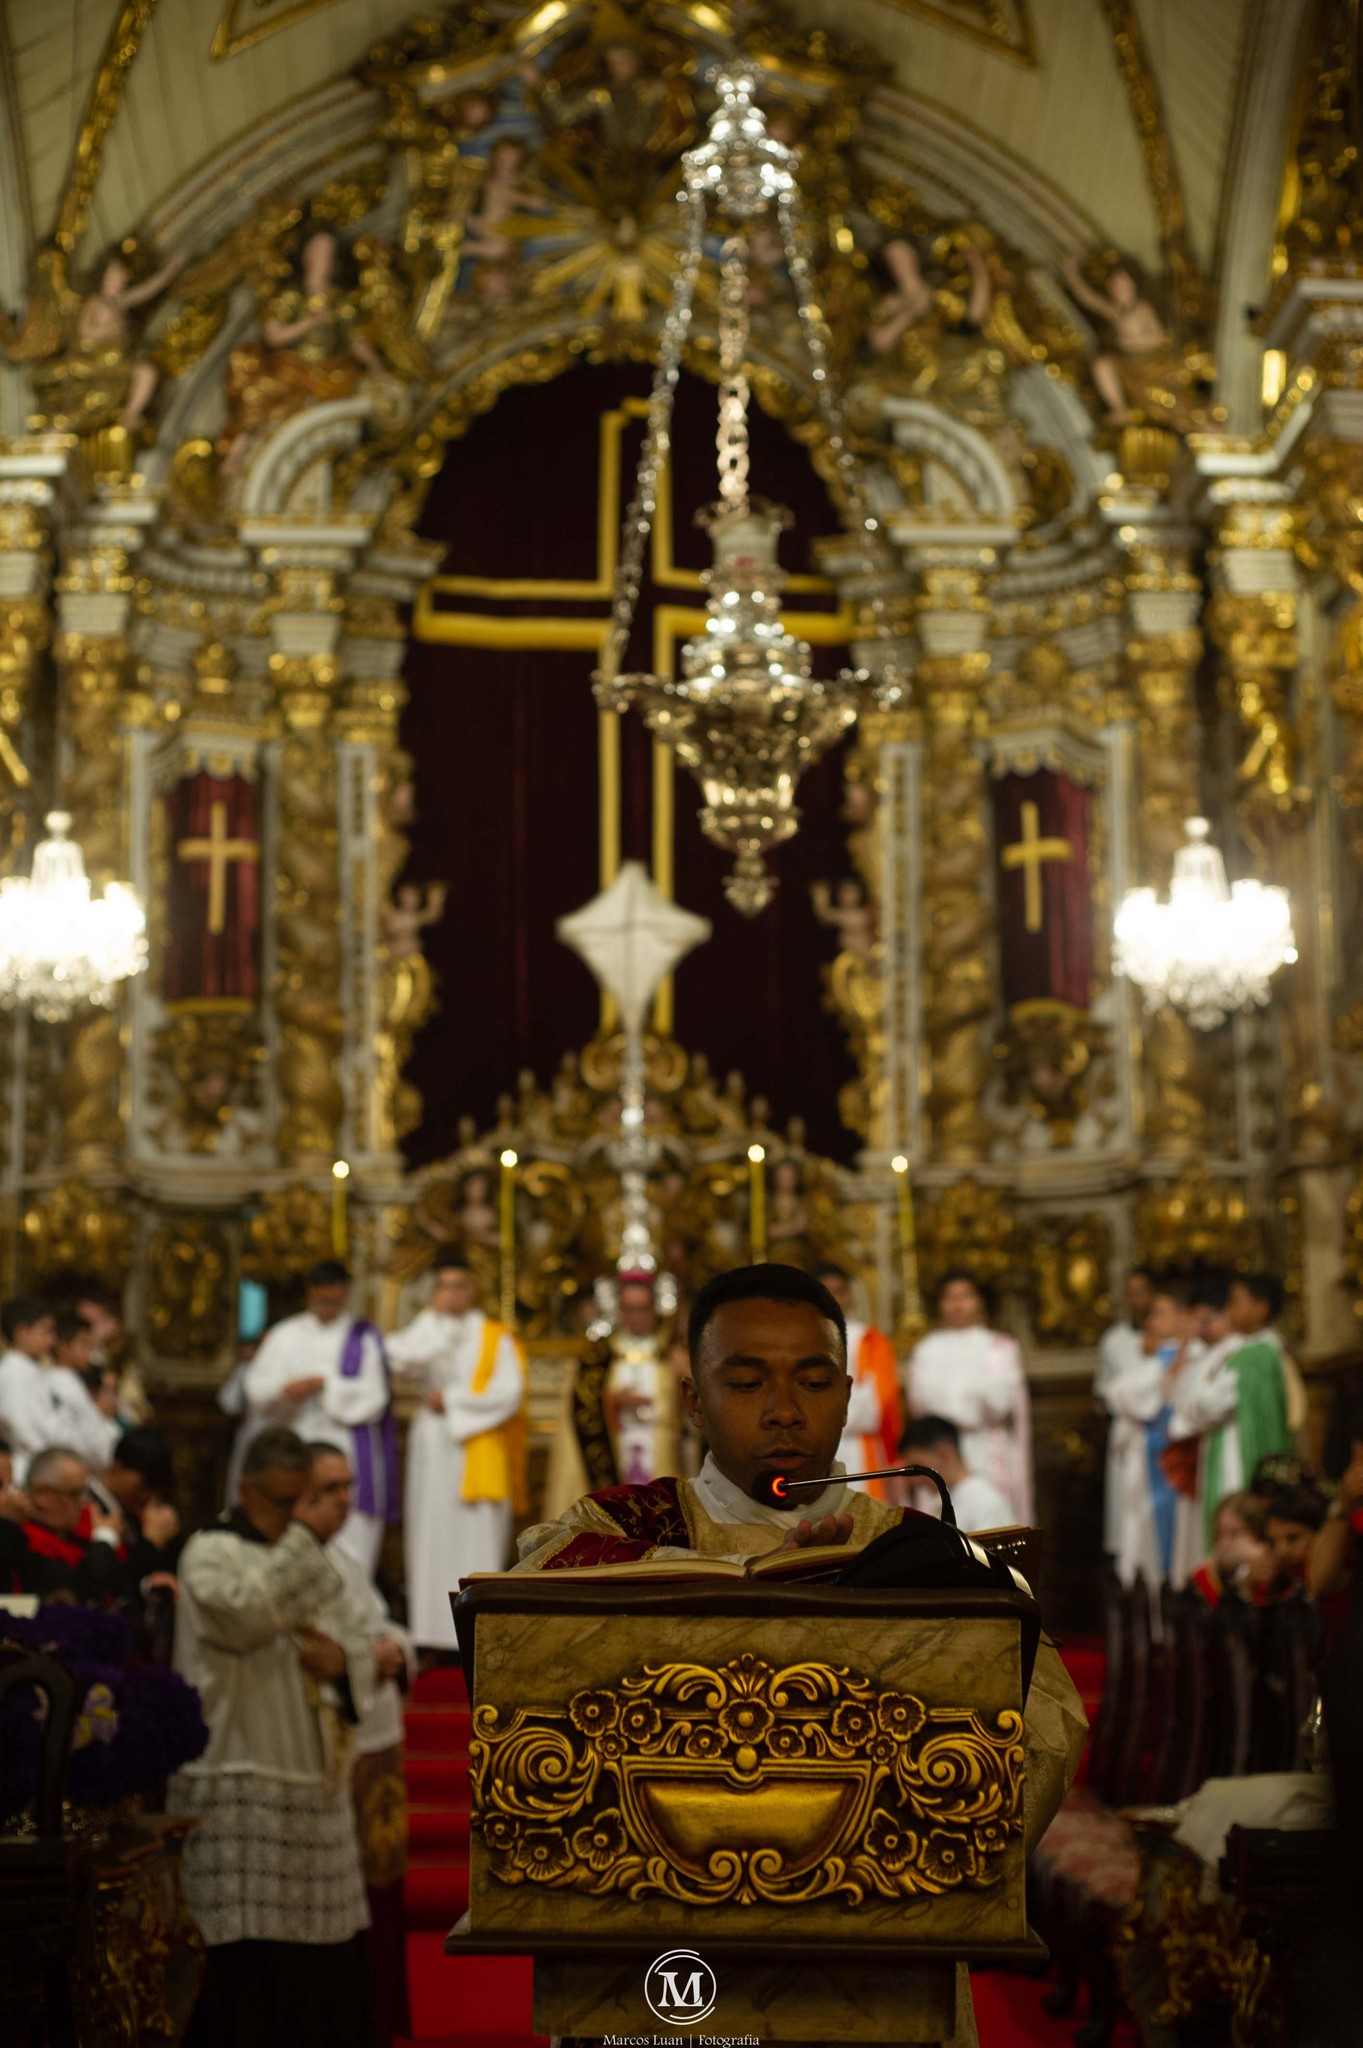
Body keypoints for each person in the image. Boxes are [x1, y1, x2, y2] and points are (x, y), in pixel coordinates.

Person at [513, 1263, 1086, 2048]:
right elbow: (522, 1611)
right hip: (664, 1941)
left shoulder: (913, 1550)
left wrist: (915, 1848)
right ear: (693, 1399)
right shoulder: (624, 1532)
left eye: (813, 1382)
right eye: (745, 1383)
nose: (783, 1411)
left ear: (847, 1395)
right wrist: (744, 1580)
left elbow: (1046, 1713)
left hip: (876, 1936)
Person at [170, 1426, 375, 2048]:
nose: (292, 1516)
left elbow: (352, 1637)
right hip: (235, 1763)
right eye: (282, 1502)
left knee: (313, 1963)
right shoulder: (210, 1551)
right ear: (245, 1488)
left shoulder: (303, 1552)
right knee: (241, 1955)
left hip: (309, 1769)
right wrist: (306, 1539)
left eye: (299, 1501)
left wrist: (344, 1665)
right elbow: (248, 1618)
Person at [300, 1443, 413, 2048]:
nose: (347, 1500)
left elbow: (378, 1623)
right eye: (331, 1490)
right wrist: (371, 1657)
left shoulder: (342, 1557)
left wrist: (393, 1648)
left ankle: (379, 2015)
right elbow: (312, 1650)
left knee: (383, 1881)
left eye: (348, 1486)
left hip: (378, 1736)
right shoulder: (292, 1562)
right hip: (338, 1741)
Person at [386, 1257, 525, 1653]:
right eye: (443, 1285)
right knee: (428, 1533)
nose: (451, 1293)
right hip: (433, 1444)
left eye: (458, 1285)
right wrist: (432, 1324)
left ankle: (476, 1629)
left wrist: (453, 1401)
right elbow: (395, 1356)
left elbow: (509, 1393)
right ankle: (429, 1635)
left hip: (477, 1443)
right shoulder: (427, 1328)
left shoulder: (494, 1336)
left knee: (477, 1538)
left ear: (472, 1288)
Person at [243, 1262, 395, 1575]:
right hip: (296, 1446)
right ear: (310, 1293)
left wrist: (328, 1387)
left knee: (349, 1539)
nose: (329, 1308)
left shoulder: (362, 1337)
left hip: (346, 1447)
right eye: (322, 1301)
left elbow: (375, 1397)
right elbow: (256, 1389)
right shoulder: (285, 1335)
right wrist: (286, 1390)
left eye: (336, 1302)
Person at [906, 1270, 1033, 1522]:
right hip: (941, 1450)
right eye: (950, 1297)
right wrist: (973, 1395)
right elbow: (921, 1402)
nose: (958, 1305)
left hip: (989, 1449)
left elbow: (1000, 1402)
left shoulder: (1000, 1346)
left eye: (965, 1296)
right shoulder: (926, 1349)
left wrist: (952, 1397)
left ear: (979, 1301)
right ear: (940, 1304)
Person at [1189, 1274, 1294, 1534]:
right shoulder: (1248, 1349)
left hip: (1241, 1454)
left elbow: (1208, 1403)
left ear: (1261, 1308)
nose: (1229, 1310)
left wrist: (1198, 1400)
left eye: (1236, 1302)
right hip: (1227, 1441)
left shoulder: (1258, 1354)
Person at [1108, 1279, 1194, 1591]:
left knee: (1171, 1548)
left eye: (1160, 1313)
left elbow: (1136, 1398)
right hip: (1145, 1460)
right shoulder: (1155, 1357)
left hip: (1169, 1462)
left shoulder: (1183, 1356)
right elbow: (1118, 1393)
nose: (1150, 1321)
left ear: (1184, 1317)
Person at [817, 1262, 901, 1498]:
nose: (833, 1298)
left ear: (850, 1295)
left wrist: (827, 1412)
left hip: (861, 1448)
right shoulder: (796, 1340)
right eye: (826, 1291)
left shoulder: (870, 1340)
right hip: (814, 1445)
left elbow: (878, 1403)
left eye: (839, 1291)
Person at [0, 1444, 123, 1601]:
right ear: (42, 1495)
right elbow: (78, 1593)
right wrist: (105, 1538)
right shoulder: (27, 1537)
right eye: (74, 1494)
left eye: (10, 1485)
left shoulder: (74, 1536)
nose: (12, 1497)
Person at [1095, 1267, 1154, 1554]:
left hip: (1159, 1433)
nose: (1137, 1300)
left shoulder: (1170, 1338)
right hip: (1127, 1433)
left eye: (1142, 1292)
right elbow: (1103, 1389)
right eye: (1131, 1294)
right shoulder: (1113, 1340)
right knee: (1125, 1510)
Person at [899, 1414, 1015, 1532]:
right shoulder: (942, 1502)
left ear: (944, 1454)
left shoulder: (985, 1503)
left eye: (919, 1467)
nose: (915, 1480)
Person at [47, 1310, 120, 1474]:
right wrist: (99, 1413)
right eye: (84, 1344)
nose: (90, 1351)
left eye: (90, 1344)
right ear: (63, 1347)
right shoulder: (58, 1384)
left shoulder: (75, 1383)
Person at [0, 1295, 59, 1481]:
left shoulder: (30, 1369)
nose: (52, 1340)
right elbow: (21, 1428)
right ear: (22, 1331)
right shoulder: (13, 1372)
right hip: (28, 1469)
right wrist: (52, 1458)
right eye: (45, 1332)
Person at [1189, 1491, 1270, 1609]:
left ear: (1256, 1533)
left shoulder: (1267, 1570)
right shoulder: (1205, 1574)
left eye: (1235, 1533)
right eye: (1220, 1533)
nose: (1225, 1543)